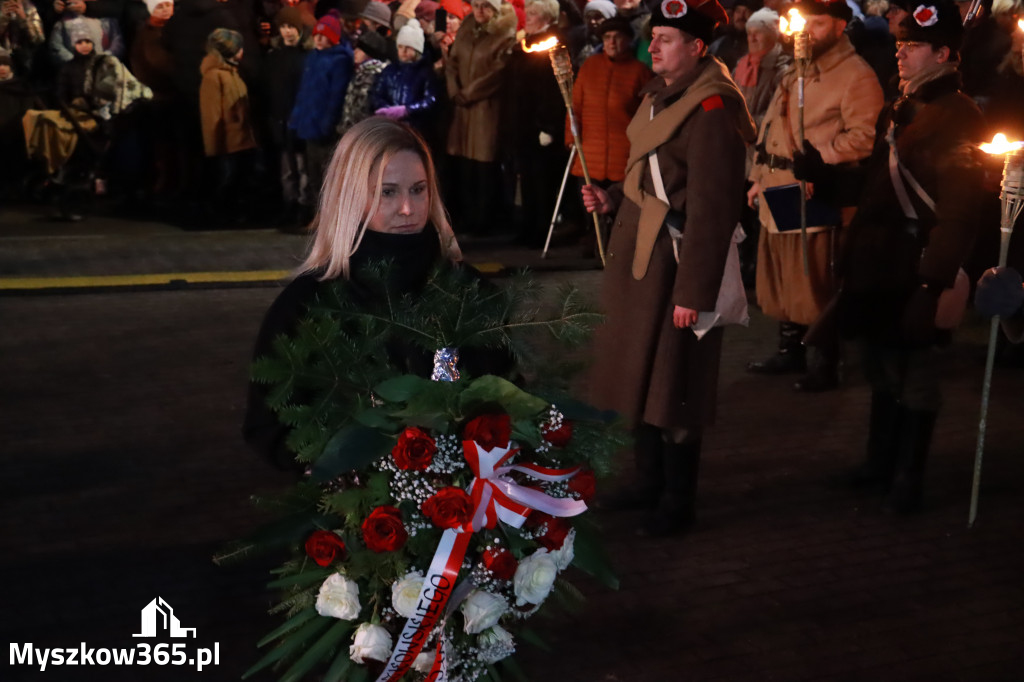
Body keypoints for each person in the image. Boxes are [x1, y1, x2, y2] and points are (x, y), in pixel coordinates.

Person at [581, 0, 755, 536]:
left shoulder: (711, 109)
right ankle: (647, 481)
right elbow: (647, 172)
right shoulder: (659, 96)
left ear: (697, 48)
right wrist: (612, 198)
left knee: (677, 386)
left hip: (677, 265)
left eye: (666, 38)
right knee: (641, 377)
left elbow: (711, 209)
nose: (651, 46)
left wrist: (694, 292)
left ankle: (679, 499)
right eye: (652, 36)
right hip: (642, 259)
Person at [835, 0, 990, 513]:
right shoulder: (901, 104)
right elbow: (879, 183)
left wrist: (932, 284)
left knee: (916, 374)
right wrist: (829, 177)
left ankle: (908, 476)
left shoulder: (959, 115)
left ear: (943, 52)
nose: (900, 54)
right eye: (899, 45)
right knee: (880, 363)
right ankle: (880, 461)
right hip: (880, 260)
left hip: (917, 261)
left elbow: (960, 210)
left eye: (913, 46)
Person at [243, 117, 467, 469]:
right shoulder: (307, 304)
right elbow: (269, 425)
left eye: (418, 189)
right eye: (387, 192)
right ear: (351, 196)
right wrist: (347, 477)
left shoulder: (464, 286)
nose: (408, 208)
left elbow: (506, 389)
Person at [745, 0, 884, 392]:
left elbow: (865, 136)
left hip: (813, 190)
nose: (808, 32)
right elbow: (771, 127)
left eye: (818, 23)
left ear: (840, 26)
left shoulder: (856, 75)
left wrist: (818, 161)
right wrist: (758, 176)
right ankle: (791, 350)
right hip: (779, 186)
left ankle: (825, 359)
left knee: (815, 280)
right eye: (805, 23)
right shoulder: (795, 70)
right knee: (784, 276)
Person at [444, 0, 516, 235]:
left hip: (486, 107)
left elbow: (498, 72)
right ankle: (466, 216)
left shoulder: (504, 34)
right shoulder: (467, 28)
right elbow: (452, 62)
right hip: (462, 108)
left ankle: (484, 219)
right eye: (476, 5)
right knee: (464, 163)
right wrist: (455, 90)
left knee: (484, 164)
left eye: (485, 5)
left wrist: (470, 92)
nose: (480, 11)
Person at [504, 0, 566, 248]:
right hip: (522, 123)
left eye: (534, 13)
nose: (527, 17)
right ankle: (527, 227)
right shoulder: (525, 42)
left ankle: (541, 231)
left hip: (540, 125)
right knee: (527, 179)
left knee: (542, 181)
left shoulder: (552, 43)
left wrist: (548, 126)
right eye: (527, 12)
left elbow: (552, 90)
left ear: (547, 16)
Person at [289, 10, 354, 210]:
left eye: (323, 36)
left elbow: (336, 96)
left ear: (332, 38)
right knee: (313, 172)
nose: (317, 39)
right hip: (309, 124)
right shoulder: (313, 57)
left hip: (324, 128)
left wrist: (327, 123)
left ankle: (331, 217)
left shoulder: (340, 61)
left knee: (328, 174)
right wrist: (297, 118)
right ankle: (320, 216)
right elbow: (304, 92)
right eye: (316, 35)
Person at [199, 28, 258, 219]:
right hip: (228, 142)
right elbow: (212, 116)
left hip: (240, 139)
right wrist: (214, 148)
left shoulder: (232, 72)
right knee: (227, 180)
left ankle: (232, 210)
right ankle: (221, 212)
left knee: (238, 179)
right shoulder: (214, 76)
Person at [370, 21, 438, 133]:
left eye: (408, 47)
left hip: (415, 129)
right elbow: (376, 93)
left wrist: (407, 110)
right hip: (389, 126)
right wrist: (386, 109)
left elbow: (430, 100)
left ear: (417, 50)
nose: (403, 51)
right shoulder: (390, 70)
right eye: (400, 47)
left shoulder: (426, 73)